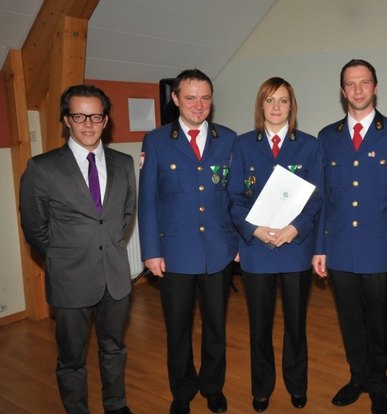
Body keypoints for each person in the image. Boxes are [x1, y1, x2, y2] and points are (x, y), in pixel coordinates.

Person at [19, 85, 135, 414]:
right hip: (70, 278)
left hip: (115, 277)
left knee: (114, 347)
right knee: (71, 357)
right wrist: (65, 256)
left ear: (106, 120)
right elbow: (34, 226)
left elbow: (124, 215)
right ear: (66, 119)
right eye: (79, 116)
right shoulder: (42, 167)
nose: (88, 124)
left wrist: (106, 246)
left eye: (95, 116)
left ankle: (116, 405)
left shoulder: (124, 163)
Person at [312, 59, 387, 414]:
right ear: (343, 91)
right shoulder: (327, 137)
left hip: (380, 249)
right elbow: (322, 197)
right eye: (350, 84)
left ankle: (378, 385)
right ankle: (357, 377)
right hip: (340, 248)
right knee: (350, 321)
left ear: (375, 87)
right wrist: (320, 248)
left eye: (364, 82)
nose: (357, 90)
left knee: (378, 322)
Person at [138, 69, 238, 414]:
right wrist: (151, 251)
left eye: (205, 98)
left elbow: (236, 196)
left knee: (216, 326)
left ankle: (212, 386)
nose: (199, 105)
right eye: (191, 97)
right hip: (174, 253)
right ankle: (182, 390)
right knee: (178, 328)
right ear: (176, 99)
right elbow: (147, 200)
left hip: (219, 251)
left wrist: (238, 242)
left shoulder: (228, 139)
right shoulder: (156, 141)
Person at [227, 77, 323, 412]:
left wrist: (296, 228)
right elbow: (234, 197)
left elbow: (317, 198)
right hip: (257, 251)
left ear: (291, 106)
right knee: (260, 326)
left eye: (283, 100)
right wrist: (253, 230)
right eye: (270, 100)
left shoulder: (309, 145)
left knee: (295, 325)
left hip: (295, 249)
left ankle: (297, 385)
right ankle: (262, 388)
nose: (277, 107)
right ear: (261, 106)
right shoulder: (242, 145)